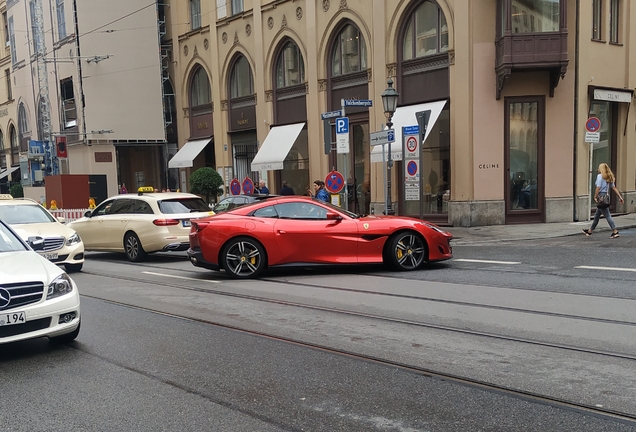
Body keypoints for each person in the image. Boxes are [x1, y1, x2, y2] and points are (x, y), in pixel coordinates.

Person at [583, 163, 624, 239]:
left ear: (601, 169)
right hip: (606, 196)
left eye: (599, 168)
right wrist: (620, 197)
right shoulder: (608, 177)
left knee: (607, 215)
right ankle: (590, 231)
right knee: (596, 215)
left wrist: (595, 196)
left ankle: (615, 231)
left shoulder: (600, 176)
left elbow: (598, 187)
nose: (598, 169)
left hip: (601, 197)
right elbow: (614, 188)